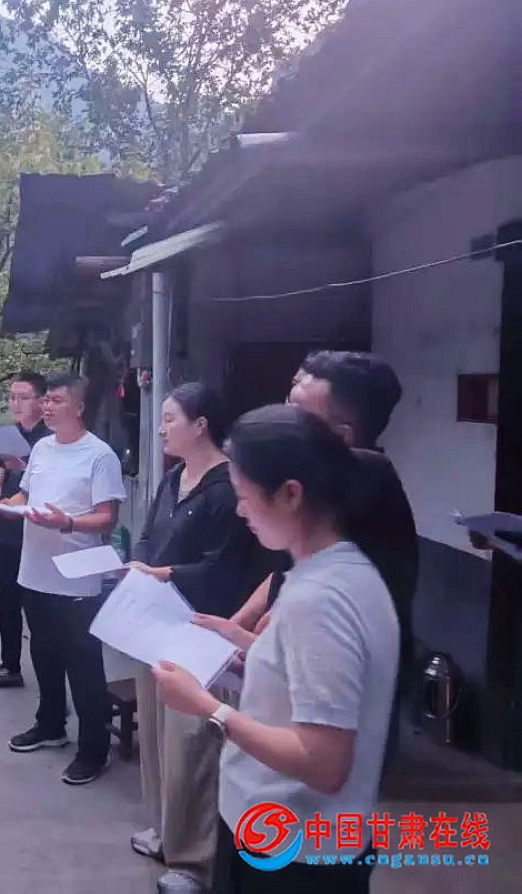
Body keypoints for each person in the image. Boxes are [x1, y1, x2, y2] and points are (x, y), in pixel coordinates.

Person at [154, 405, 399, 894]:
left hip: (291, 849)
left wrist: (206, 707)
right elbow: (314, 685)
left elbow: (323, 763)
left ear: (290, 494)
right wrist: (249, 651)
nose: (240, 511)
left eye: (244, 496)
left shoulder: (320, 599)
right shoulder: (341, 571)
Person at [227, 351, 417, 758]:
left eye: (298, 415)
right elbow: (283, 572)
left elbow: (321, 760)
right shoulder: (320, 489)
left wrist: (211, 709)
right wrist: (242, 620)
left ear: (342, 438)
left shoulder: (366, 489)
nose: (282, 419)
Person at [128, 384, 270, 894]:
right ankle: (165, 829)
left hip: (202, 624)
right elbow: (148, 535)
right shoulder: (173, 477)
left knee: (191, 744)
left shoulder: (226, 489)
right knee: (157, 737)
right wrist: (141, 568)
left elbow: (224, 568)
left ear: (201, 424)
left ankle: (193, 859)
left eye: (170, 418)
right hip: (155, 621)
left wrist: (164, 574)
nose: (161, 428)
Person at [0, 373, 126, 785]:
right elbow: (27, 494)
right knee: (44, 654)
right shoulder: (41, 449)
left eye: (56, 401)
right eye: (46, 400)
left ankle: (93, 749)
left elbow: (107, 517)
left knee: (83, 664)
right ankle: (50, 725)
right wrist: (11, 504)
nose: (47, 407)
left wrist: (66, 522)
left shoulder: (99, 455)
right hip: (35, 571)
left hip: (77, 577)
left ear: (80, 407)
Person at [0, 371, 52, 690]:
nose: (16, 403)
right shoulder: (9, 438)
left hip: (38, 534)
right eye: (12, 397)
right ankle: (10, 666)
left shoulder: (51, 441)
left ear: (42, 401)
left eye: (23, 397)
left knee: (38, 610)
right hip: (8, 531)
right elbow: (0, 482)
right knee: (6, 602)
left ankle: (49, 681)